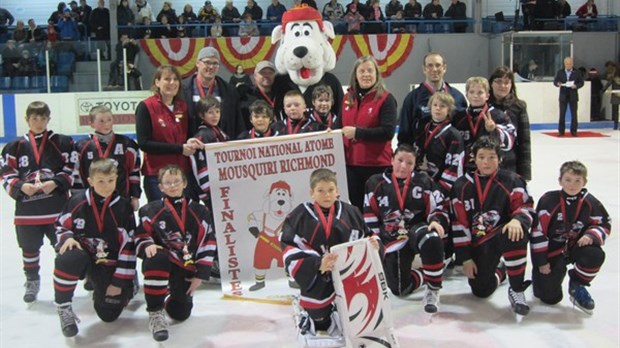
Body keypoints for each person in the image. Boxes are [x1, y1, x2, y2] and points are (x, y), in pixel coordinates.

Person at [281, 168, 373, 341]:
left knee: (361, 314)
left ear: (337, 191)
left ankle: (342, 312)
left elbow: (367, 236)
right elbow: (288, 245)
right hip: (318, 275)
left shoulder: (352, 212)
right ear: (311, 193)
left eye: (331, 190)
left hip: (349, 272)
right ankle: (318, 316)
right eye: (320, 191)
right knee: (320, 319)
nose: (327, 195)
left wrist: (373, 244)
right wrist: (317, 264)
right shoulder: (299, 215)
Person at [450, 136, 535, 316]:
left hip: (500, 236)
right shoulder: (461, 185)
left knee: (516, 232)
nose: (486, 162)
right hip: (478, 243)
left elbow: (526, 207)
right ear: (473, 158)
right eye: (481, 157)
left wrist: (517, 219)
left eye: (491, 157)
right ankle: (502, 270)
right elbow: (459, 224)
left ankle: (517, 288)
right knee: (481, 290)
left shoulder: (512, 180)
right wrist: (465, 258)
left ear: (500, 159)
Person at [0, 101, 75, 304]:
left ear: (49, 119)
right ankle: (32, 280)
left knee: (63, 247)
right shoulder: (14, 147)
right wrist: (20, 186)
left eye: (43, 118)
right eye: (35, 118)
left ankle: (65, 281)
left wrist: (56, 182)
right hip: (27, 211)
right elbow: (5, 174)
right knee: (29, 249)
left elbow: (72, 168)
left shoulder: (62, 142)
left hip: (56, 210)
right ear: (27, 120)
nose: (39, 122)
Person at [53, 158, 137, 337]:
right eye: (100, 181)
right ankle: (64, 308)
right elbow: (60, 225)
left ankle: (127, 284)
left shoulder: (123, 207)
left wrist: (119, 281)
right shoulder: (76, 201)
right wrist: (67, 237)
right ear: (90, 181)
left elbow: (129, 246)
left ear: (116, 179)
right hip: (86, 258)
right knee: (67, 257)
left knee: (108, 314)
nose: (106, 186)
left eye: (110, 181)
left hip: (110, 263)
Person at [135, 165, 216, 341]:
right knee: (156, 257)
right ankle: (155, 312)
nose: (173, 186)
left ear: (184, 183)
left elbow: (207, 242)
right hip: (162, 263)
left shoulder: (200, 211)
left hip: (186, 265)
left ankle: (168, 294)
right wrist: (147, 243)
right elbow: (140, 236)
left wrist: (200, 274)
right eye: (168, 183)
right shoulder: (149, 210)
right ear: (160, 187)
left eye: (176, 181)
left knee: (181, 313)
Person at [364, 144, 449, 313]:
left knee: (431, 238)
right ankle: (430, 270)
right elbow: (369, 213)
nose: (403, 166)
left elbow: (440, 205)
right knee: (400, 288)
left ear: (415, 165)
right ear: (392, 160)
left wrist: (436, 220)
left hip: (415, 230)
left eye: (409, 163)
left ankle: (433, 288)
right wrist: (374, 237)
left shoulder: (424, 181)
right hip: (391, 239)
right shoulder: (374, 182)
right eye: (400, 160)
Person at [530, 160, 610, 315]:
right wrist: (541, 262)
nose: (572, 185)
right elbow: (537, 232)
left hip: (576, 247)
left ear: (584, 182)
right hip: (552, 251)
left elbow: (604, 223)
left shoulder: (590, 201)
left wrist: (591, 235)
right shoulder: (548, 200)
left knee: (595, 254)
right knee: (549, 297)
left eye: (577, 181)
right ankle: (544, 279)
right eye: (567, 180)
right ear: (560, 180)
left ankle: (578, 284)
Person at [136, 65, 204, 202]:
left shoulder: (183, 106)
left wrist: (192, 141)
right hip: (157, 175)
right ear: (157, 82)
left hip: (183, 173)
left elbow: (189, 134)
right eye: (167, 79)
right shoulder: (146, 107)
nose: (172, 83)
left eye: (175, 79)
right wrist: (179, 149)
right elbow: (144, 143)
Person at [339, 55, 397, 212]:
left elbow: (388, 132)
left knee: (378, 209)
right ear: (355, 75)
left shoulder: (386, 98)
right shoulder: (346, 98)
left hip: (377, 166)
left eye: (370, 71)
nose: (366, 74)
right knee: (356, 208)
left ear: (377, 74)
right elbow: (339, 126)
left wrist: (358, 133)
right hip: (351, 166)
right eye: (362, 71)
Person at [74, 105, 141, 210]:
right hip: (91, 201)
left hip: (121, 198)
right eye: (101, 121)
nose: (106, 124)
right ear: (91, 124)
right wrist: (77, 197)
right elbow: (77, 174)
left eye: (109, 119)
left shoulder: (128, 144)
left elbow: (134, 171)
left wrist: (135, 196)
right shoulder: (81, 146)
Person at [398, 52, 467, 147]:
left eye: (438, 65)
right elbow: (404, 133)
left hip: (451, 153)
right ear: (424, 69)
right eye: (430, 65)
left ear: (444, 68)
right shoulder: (412, 98)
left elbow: (464, 129)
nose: (434, 69)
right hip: (423, 156)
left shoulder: (457, 97)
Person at [452, 76, 516, 174]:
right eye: (472, 92)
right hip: (466, 169)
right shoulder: (459, 117)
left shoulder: (498, 115)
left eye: (480, 92)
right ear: (467, 95)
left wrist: (494, 130)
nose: (475, 96)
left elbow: (510, 142)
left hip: (491, 169)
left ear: (487, 95)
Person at [182, 46, 244, 138]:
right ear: (197, 63)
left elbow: (238, 123)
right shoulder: (183, 88)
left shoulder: (229, 91)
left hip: (220, 146)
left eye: (215, 63)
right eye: (207, 62)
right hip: (190, 145)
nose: (211, 67)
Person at [488, 66, 532, 181]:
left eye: (506, 82)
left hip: (510, 165)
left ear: (511, 85)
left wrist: (525, 173)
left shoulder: (519, 107)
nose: (502, 86)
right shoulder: (484, 107)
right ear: (491, 84)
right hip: (487, 164)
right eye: (498, 81)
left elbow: (524, 142)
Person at [416, 91, 464, 194]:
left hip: (439, 186)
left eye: (442, 106)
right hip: (419, 182)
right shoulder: (422, 128)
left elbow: (454, 166)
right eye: (435, 105)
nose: (438, 108)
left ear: (449, 110)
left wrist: (442, 188)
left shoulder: (453, 135)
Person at [190, 96, 229, 208]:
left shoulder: (219, 132)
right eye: (210, 112)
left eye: (217, 111)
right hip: (213, 187)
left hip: (222, 182)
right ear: (202, 115)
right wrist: (206, 190)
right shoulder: (202, 135)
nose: (215, 115)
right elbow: (199, 165)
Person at [239, 60, 276, 129]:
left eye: (270, 73)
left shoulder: (280, 94)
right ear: (255, 76)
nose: (267, 75)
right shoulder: (247, 96)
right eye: (263, 73)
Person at [554, 57, 584, 137]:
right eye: (567, 64)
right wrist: (558, 84)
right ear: (564, 64)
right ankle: (561, 131)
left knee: (574, 114)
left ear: (572, 64)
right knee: (562, 114)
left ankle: (574, 131)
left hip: (573, 95)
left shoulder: (577, 72)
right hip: (563, 95)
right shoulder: (560, 72)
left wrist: (576, 86)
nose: (568, 65)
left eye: (570, 64)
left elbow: (581, 82)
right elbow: (555, 81)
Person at [602, 61, 619, 130]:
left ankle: (616, 125)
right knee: (615, 111)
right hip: (615, 94)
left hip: (615, 94)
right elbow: (609, 83)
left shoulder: (614, 75)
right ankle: (616, 124)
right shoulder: (613, 75)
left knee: (616, 111)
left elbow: (608, 83)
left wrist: (603, 90)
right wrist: (603, 90)